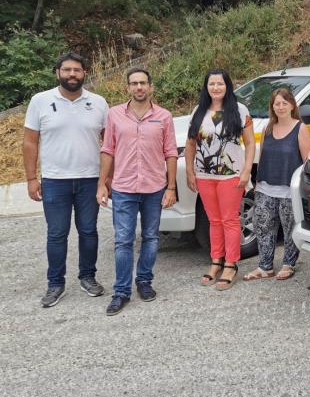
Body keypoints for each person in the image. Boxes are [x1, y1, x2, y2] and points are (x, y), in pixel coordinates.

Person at [23, 53, 109, 307]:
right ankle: (55, 284)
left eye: (77, 70)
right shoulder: (40, 101)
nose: (72, 74)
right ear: (57, 73)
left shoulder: (98, 102)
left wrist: (107, 178)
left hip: (90, 179)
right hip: (54, 180)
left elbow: (109, 143)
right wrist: (31, 178)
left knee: (88, 231)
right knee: (57, 234)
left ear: (85, 73)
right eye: (67, 70)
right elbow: (30, 141)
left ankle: (88, 277)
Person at [96, 68, 178, 316]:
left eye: (143, 83)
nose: (139, 87)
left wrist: (171, 187)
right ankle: (121, 291)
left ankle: (144, 280)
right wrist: (102, 184)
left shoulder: (163, 116)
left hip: (154, 187)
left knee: (151, 237)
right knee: (123, 240)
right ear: (128, 87)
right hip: (124, 188)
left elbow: (170, 152)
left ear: (151, 87)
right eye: (134, 83)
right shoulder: (114, 115)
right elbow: (108, 149)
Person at [185, 70, 254, 290]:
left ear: (228, 86)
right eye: (212, 84)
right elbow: (190, 143)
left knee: (230, 220)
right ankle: (216, 261)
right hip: (204, 174)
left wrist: (246, 171)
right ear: (206, 87)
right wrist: (190, 171)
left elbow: (250, 143)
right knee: (214, 220)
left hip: (231, 174)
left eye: (220, 84)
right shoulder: (199, 111)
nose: (216, 88)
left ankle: (231, 264)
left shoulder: (240, 110)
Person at [243, 88, 310, 281]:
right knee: (262, 226)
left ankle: (288, 264)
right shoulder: (268, 128)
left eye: (284, 103)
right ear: (272, 107)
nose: (281, 107)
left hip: (289, 190)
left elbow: (307, 163)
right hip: (266, 188)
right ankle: (265, 267)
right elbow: (262, 158)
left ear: (292, 105)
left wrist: (304, 191)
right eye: (277, 104)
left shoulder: (300, 129)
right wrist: (257, 183)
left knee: (290, 229)